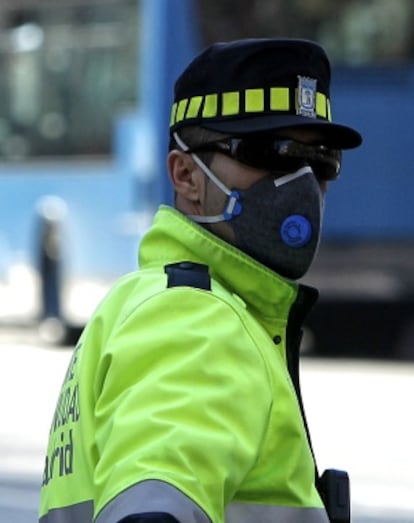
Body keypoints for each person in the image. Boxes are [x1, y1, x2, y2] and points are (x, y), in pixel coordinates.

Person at [39, 38, 362, 523]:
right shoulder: (195, 321)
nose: (301, 183)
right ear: (186, 174)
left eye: (321, 161)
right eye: (270, 153)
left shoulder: (145, 299)